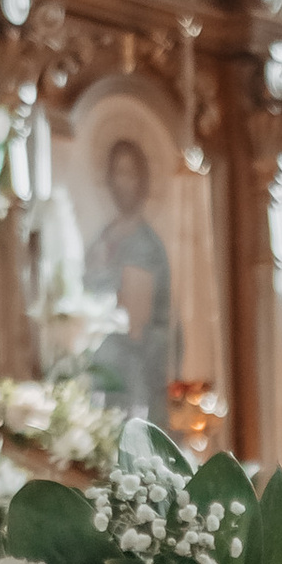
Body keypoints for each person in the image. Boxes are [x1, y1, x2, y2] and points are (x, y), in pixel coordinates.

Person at [83, 136, 172, 422]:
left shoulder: (146, 245)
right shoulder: (104, 237)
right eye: (117, 172)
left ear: (142, 180)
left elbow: (135, 316)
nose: (123, 182)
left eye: (130, 173)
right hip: (101, 364)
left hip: (132, 367)